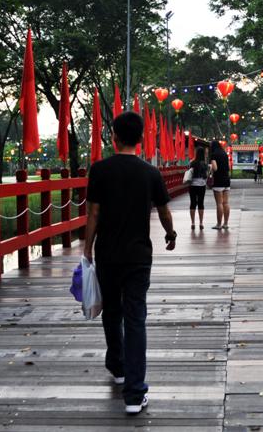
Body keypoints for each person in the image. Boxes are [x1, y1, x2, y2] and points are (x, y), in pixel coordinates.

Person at [84, 111, 176, 415]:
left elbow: (93, 214)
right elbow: (163, 210)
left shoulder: (99, 170)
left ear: (115, 137)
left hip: (107, 254)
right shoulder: (150, 172)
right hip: (138, 256)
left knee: (112, 311)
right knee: (135, 318)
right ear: (139, 139)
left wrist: (87, 249)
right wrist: (170, 233)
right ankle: (135, 394)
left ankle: (118, 365)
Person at [208, 140, 231, 230]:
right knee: (226, 203)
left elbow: (215, 168)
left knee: (219, 203)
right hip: (226, 180)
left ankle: (218, 224)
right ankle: (225, 224)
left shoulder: (214, 155)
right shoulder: (224, 154)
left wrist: (210, 168)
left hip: (218, 180)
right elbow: (228, 166)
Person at [188, 147, 208, 229]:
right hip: (202, 185)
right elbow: (206, 175)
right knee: (201, 203)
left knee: (192, 203)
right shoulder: (204, 164)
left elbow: (189, 172)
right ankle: (201, 223)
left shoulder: (192, 162)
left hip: (192, 185)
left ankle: (192, 223)